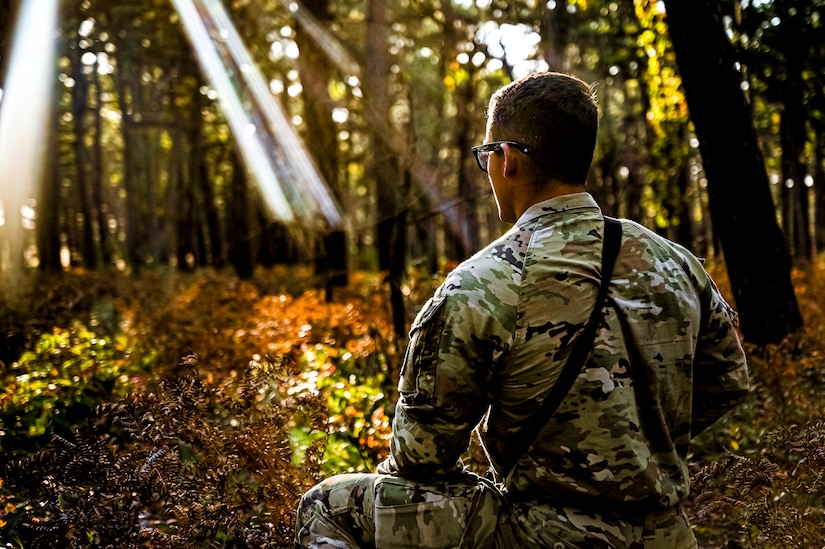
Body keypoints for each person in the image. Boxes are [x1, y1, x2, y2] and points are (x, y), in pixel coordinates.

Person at [294, 71, 750, 548]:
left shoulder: (481, 283)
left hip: (540, 536)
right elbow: (726, 382)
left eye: (486, 156)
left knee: (327, 507)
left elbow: (419, 459)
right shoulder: (676, 262)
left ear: (506, 159)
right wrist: (634, 441)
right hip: (665, 535)